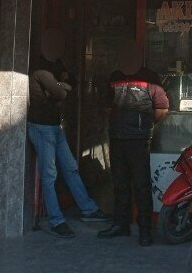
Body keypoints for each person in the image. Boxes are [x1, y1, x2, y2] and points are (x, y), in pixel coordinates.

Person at [27, 29, 109, 238]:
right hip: (41, 126)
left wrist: (59, 86)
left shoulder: (56, 64)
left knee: (70, 167)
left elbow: (71, 82)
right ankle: (56, 220)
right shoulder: (40, 68)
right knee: (49, 174)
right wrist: (59, 86)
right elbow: (61, 93)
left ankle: (88, 209)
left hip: (55, 126)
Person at [99, 40, 169, 246]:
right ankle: (121, 225)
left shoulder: (150, 78)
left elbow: (162, 107)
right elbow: (107, 106)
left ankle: (145, 230)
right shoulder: (114, 77)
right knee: (120, 184)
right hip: (117, 138)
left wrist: (145, 125)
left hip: (139, 140)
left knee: (141, 185)